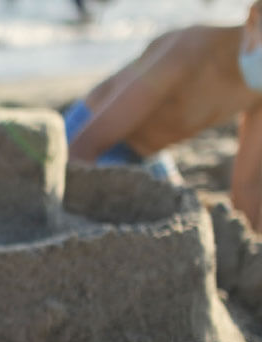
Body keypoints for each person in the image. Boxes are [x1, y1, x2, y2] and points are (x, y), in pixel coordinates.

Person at [65, 0, 262, 230]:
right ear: (253, 18)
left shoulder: (258, 88)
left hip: (149, 155)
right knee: (165, 220)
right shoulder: (191, 49)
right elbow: (85, 143)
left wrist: (247, 247)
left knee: (191, 216)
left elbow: (247, 186)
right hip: (85, 135)